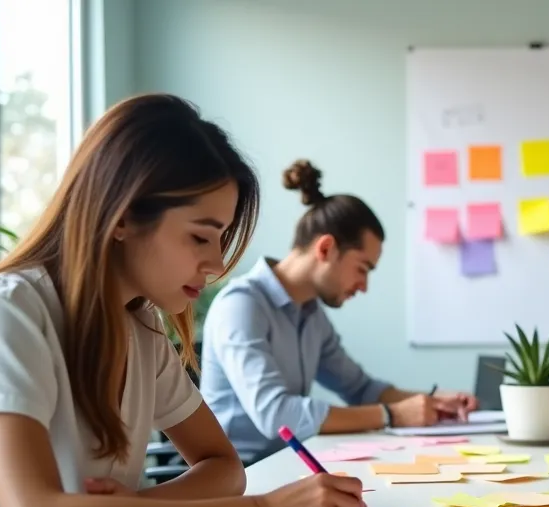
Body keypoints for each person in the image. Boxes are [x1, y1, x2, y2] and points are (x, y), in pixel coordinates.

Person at [0, 95, 369, 507]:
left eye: (222, 239)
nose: (216, 264)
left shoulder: (140, 324)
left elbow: (222, 466)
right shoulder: (7, 313)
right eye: (200, 237)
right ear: (122, 217)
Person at [201, 158, 477, 457]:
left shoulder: (310, 313)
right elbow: (277, 415)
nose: (364, 285)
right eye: (363, 268)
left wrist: (434, 401)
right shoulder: (241, 305)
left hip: (286, 469)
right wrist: (392, 414)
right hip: (242, 480)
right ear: (326, 248)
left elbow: (361, 389)